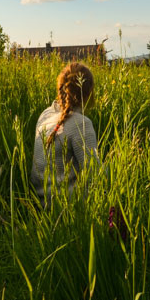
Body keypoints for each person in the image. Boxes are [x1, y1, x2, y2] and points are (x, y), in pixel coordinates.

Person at [31, 62, 103, 208]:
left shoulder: (45, 115)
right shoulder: (81, 124)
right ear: (89, 92)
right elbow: (95, 175)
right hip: (66, 207)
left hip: (39, 202)